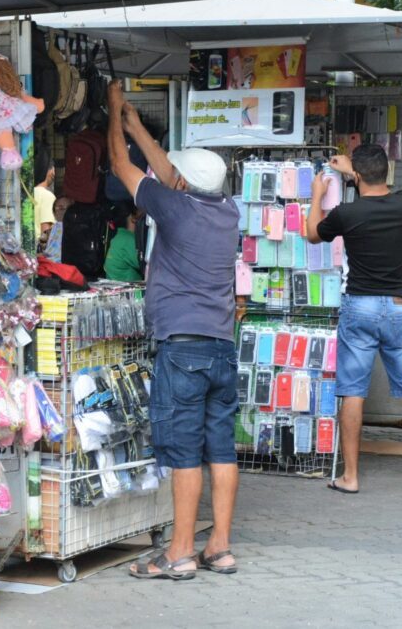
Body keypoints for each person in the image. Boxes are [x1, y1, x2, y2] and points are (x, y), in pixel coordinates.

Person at [106, 81, 240, 580]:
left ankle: (179, 552)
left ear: (183, 183)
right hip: (222, 348)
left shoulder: (175, 209)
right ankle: (219, 548)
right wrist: (136, 123)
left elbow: (125, 169)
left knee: (183, 452)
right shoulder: (226, 211)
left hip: (181, 349)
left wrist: (113, 117)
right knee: (220, 449)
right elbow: (168, 172)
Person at [307, 145, 402, 493]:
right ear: (386, 171)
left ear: (355, 176)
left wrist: (317, 195)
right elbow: (375, 183)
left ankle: (350, 477)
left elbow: (311, 233)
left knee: (353, 391)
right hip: (399, 307)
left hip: (360, 307)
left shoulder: (345, 213)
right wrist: (353, 170)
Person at [103, 203, 143, 282]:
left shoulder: (118, 236)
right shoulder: (128, 239)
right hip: (128, 289)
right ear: (132, 218)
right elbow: (147, 265)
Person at [33, 147, 56, 253]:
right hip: (40, 251)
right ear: (51, 171)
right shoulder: (47, 196)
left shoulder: (31, 192)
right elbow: (46, 229)